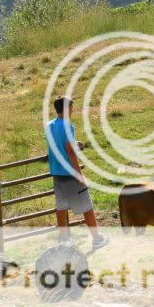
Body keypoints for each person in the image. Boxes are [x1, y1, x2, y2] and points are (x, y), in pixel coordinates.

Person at [45, 96, 109, 250]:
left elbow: (58, 145)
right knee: (86, 206)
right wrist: (80, 175)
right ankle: (97, 239)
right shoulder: (68, 126)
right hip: (69, 174)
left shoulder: (49, 125)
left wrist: (73, 143)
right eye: (71, 107)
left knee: (61, 207)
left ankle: (63, 241)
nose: (73, 110)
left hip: (56, 172)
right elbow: (70, 153)